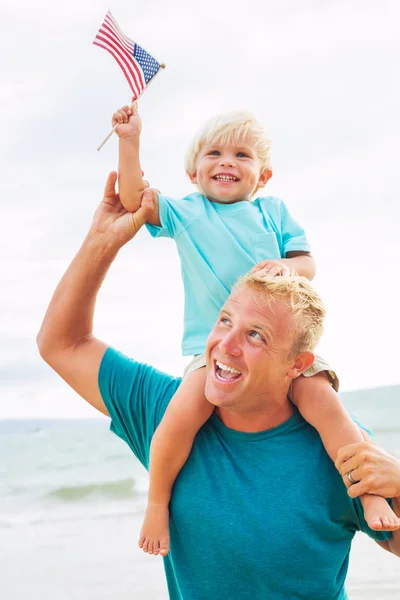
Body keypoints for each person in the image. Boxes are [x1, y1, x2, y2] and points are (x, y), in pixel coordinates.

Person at [37, 173, 400, 599]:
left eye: (256, 336)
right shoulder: (165, 411)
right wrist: (103, 239)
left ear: (297, 365)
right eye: (225, 320)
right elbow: (61, 343)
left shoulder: (341, 446)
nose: (223, 346)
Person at [111, 104, 400, 555]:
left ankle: (369, 491)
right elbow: (132, 199)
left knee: (328, 408)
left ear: (263, 176)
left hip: (282, 349)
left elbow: (307, 263)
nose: (227, 161)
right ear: (193, 170)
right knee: (179, 417)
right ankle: (156, 501)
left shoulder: (272, 211)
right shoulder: (186, 213)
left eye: (242, 155)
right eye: (215, 153)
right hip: (216, 353)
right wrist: (130, 141)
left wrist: (287, 266)